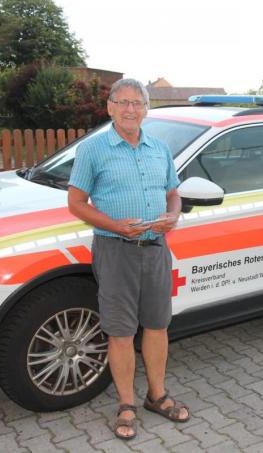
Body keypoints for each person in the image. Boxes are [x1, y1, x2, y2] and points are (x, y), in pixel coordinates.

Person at [67, 78, 189, 441]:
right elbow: (75, 203)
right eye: (123, 103)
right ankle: (126, 403)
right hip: (115, 251)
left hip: (155, 249)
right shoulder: (93, 150)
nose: (130, 109)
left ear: (146, 109)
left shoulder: (159, 149)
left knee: (157, 325)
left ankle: (157, 395)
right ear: (110, 107)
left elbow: (173, 193)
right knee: (120, 331)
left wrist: (174, 215)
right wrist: (117, 227)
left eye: (137, 103)